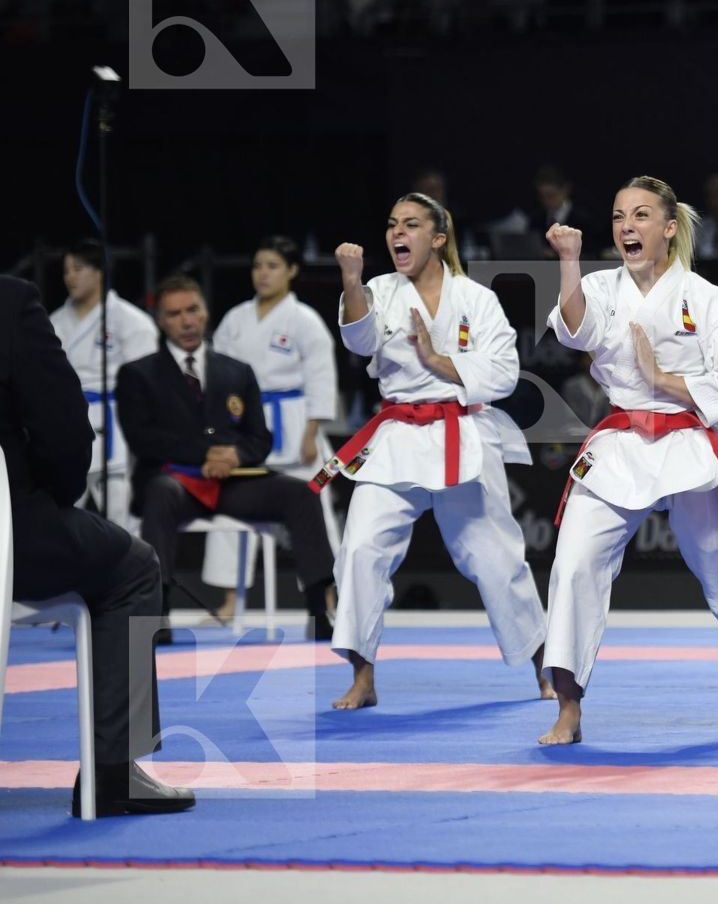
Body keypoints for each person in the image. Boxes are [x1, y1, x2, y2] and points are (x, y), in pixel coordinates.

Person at [538, 176, 718, 743]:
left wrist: (664, 379)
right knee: (574, 564)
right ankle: (568, 705)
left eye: (640, 216)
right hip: (621, 440)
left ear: (668, 227)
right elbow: (576, 329)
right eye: (618, 217)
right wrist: (567, 261)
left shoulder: (709, 300)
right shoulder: (601, 286)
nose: (627, 227)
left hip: (692, 441)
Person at [320, 193, 549, 709]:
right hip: (398, 436)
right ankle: (362, 674)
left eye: (411, 224)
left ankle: (542, 662)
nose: (397, 232)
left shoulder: (477, 299)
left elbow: (504, 374)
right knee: (359, 550)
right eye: (392, 224)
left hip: (461, 434)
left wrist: (439, 361)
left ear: (438, 238)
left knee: (495, 558)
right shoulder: (378, 289)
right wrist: (351, 281)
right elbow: (359, 344)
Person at [1, 275, 192, 817]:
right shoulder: (11, 301)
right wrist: (58, 496)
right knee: (133, 566)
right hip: (9, 530)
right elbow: (62, 428)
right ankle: (114, 773)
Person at [115, 276, 336, 641]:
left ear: (205, 313)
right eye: (174, 314)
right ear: (160, 321)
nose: (186, 321)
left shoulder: (236, 371)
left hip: (231, 482)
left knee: (301, 492)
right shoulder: (138, 374)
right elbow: (143, 438)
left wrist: (234, 455)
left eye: (192, 310)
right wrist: (205, 455)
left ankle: (319, 609)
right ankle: (158, 613)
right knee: (161, 494)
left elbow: (260, 438)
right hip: (176, 483)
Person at [205, 235, 339, 615]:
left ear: (292, 271)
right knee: (230, 506)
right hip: (246, 423)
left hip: (295, 421)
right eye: (258, 266)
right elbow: (220, 378)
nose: (263, 274)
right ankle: (231, 598)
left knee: (316, 510)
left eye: (273, 266)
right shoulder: (235, 318)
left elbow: (321, 377)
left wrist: (312, 431)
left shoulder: (304, 321)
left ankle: (326, 594)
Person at [48, 239, 159, 530]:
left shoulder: (132, 322)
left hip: (116, 424)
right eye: (66, 270)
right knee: (62, 516)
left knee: (122, 516)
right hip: (68, 420)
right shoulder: (53, 322)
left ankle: (132, 575)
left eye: (78, 268)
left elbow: (146, 384)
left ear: (99, 272)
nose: (69, 276)